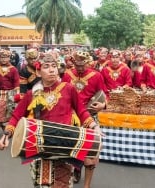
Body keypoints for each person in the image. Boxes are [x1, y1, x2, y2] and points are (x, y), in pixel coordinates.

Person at [0, 53, 100, 188]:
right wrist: (6, 135)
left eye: (54, 66)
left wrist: (94, 126)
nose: (52, 70)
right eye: (46, 67)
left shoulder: (68, 88)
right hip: (40, 146)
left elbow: (81, 111)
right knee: (42, 185)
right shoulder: (31, 94)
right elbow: (16, 116)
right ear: (38, 72)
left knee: (63, 185)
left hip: (65, 144)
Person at [62, 51, 107, 188]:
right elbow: (61, 93)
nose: (80, 68)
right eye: (77, 65)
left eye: (83, 65)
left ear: (88, 62)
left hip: (89, 116)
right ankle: (75, 170)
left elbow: (105, 94)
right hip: (70, 116)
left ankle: (86, 185)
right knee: (69, 151)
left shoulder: (96, 75)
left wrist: (103, 105)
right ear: (73, 63)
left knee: (91, 155)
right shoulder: (67, 74)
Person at [0, 49, 20, 140]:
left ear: (9, 58)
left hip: (9, 93)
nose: (4, 59)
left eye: (6, 57)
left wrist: (17, 93)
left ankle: (7, 128)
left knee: (8, 112)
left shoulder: (13, 69)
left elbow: (16, 81)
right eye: (2, 57)